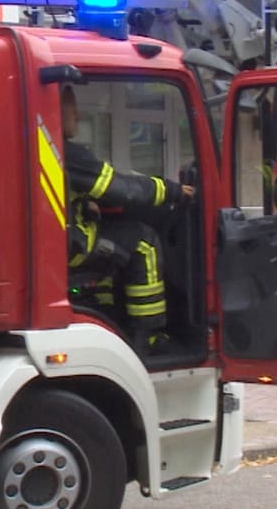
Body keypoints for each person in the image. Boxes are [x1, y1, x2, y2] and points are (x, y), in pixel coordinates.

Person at [62, 86, 194, 355]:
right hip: (72, 247)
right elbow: (122, 189)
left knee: (113, 243)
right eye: (72, 108)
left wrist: (84, 203)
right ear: (54, 110)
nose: (78, 114)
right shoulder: (69, 153)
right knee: (143, 241)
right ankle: (149, 337)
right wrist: (173, 191)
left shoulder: (44, 147)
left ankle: (106, 314)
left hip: (59, 244)